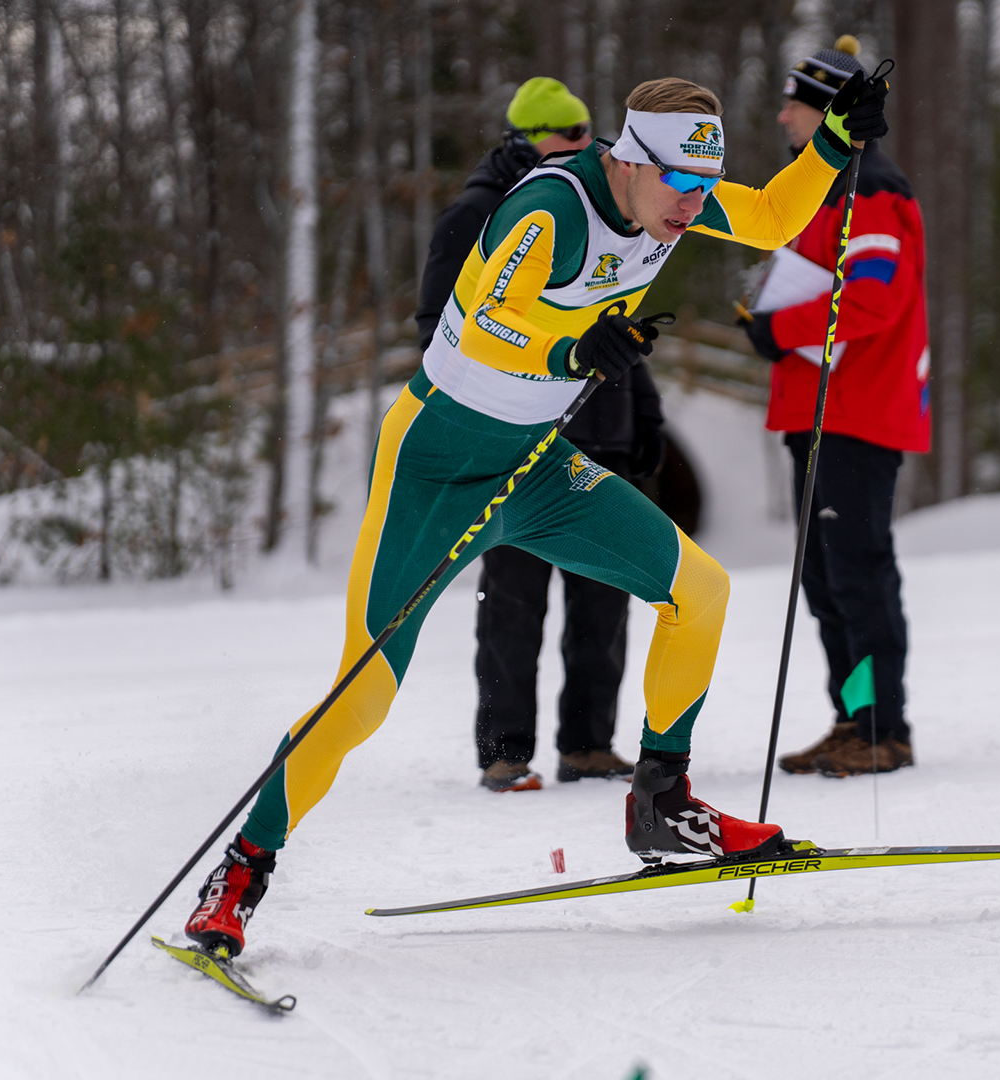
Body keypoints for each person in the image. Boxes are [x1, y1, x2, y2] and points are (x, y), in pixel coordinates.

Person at [182, 72, 890, 958]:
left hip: (533, 465)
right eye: (680, 182)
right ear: (629, 160)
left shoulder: (675, 201)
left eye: (705, 185)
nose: (694, 204)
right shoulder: (554, 207)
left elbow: (773, 217)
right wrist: (569, 343)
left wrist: (832, 140)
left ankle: (662, 807)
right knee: (364, 695)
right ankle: (243, 870)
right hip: (436, 469)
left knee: (699, 591)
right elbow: (483, 322)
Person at [415, 78, 666, 793]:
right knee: (515, 596)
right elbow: (441, 328)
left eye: (591, 135)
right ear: (524, 140)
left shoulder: (610, 209)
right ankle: (504, 749)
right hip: (515, 433)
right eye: (568, 137)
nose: (586, 150)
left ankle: (588, 743)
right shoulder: (481, 214)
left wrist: (644, 412)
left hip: (602, 425)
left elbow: (619, 321)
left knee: (604, 593)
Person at [735, 36, 929, 778]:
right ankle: (855, 718)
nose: (782, 115)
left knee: (856, 573)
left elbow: (875, 296)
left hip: (856, 410)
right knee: (825, 580)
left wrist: (777, 327)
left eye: (794, 102)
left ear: (823, 111)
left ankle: (884, 725)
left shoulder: (868, 187)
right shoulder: (824, 187)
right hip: (817, 408)